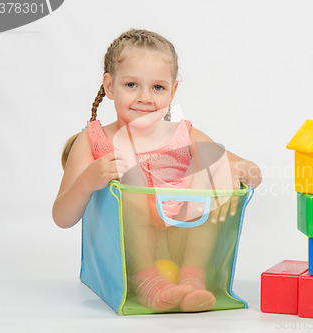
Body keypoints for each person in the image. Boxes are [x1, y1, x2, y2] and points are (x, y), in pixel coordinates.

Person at [52, 29, 262, 312]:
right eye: (131, 85)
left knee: (212, 166)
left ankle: (193, 279)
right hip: (126, 255)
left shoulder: (184, 134)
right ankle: (147, 281)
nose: (145, 98)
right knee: (131, 172)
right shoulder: (93, 140)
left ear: (173, 91)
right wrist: (88, 180)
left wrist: (236, 168)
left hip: (180, 245)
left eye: (158, 88)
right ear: (110, 86)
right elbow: (62, 218)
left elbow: (252, 172)